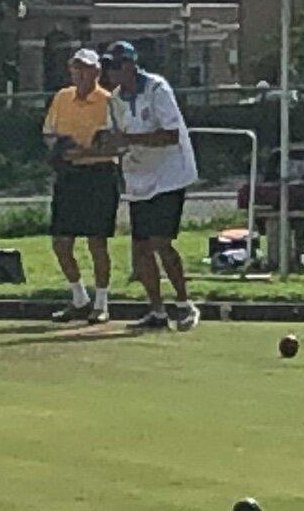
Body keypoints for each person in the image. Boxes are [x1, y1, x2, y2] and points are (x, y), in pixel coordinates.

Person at [101, 40, 200, 330]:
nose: (111, 72)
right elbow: (116, 137)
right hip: (139, 178)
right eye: (108, 67)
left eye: (116, 66)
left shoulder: (158, 89)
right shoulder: (114, 100)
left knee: (161, 242)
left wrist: (128, 142)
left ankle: (184, 304)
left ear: (131, 65)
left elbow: (169, 135)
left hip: (170, 174)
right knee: (141, 246)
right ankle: (156, 311)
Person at [41, 44, 120, 321]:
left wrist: (85, 152)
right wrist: (60, 150)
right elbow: (49, 133)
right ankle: (79, 298)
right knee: (61, 242)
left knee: (97, 242)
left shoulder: (109, 101)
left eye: (86, 68)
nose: (80, 73)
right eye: (76, 67)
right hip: (69, 177)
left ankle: (101, 304)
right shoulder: (62, 98)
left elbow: (115, 146)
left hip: (99, 175)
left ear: (97, 71)